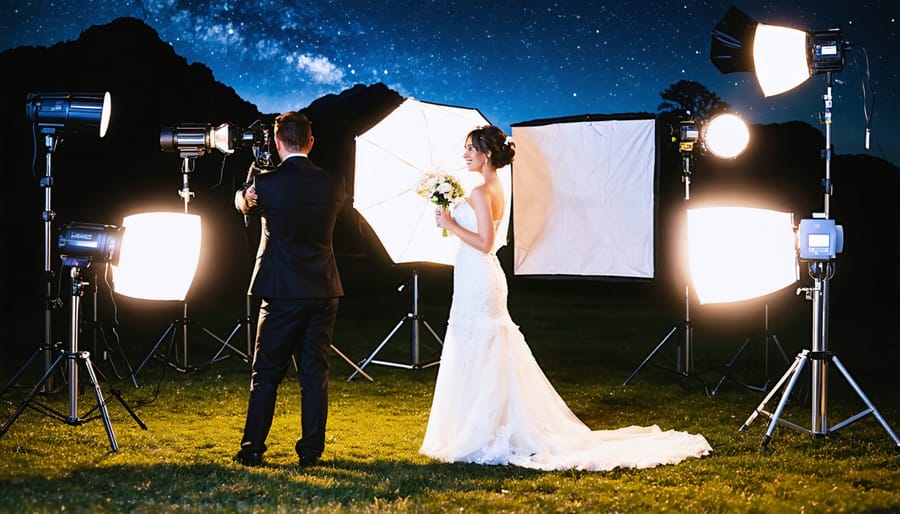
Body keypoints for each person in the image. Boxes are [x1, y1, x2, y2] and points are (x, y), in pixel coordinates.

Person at [420, 125, 712, 471]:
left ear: (486, 153)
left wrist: (450, 223)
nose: (465, 154)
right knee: (483, 349)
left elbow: (484, 242)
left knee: (481, 347)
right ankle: (481, 426)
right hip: (477, 276)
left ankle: (483, 432)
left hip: (479, 277)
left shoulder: (483, 192)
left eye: (470, 148)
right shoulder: (493, 187)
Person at [233, 111, 345, 468]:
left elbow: (243, 204)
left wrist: (250, 183)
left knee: (266, 373)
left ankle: (252, 447)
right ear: (310, 143)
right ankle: (311, 451)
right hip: (324, 288)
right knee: (314, 374)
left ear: (277, 143)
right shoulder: (334, 183)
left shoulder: (265, 183)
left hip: (281, 291)